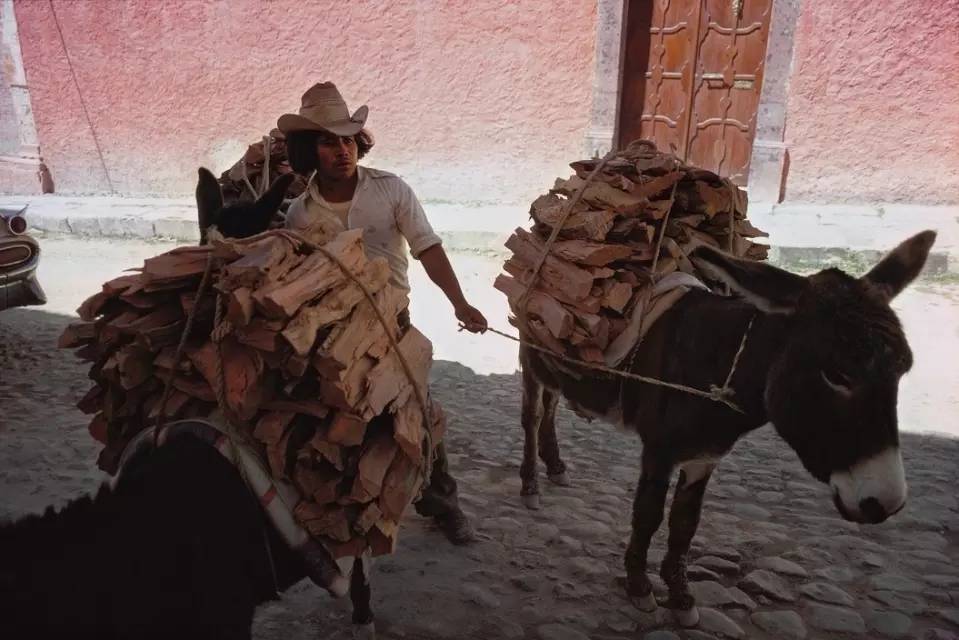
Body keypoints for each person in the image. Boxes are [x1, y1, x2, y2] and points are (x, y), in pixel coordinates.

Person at [277, 82, 487, 544]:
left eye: (349, 139)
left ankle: (443, 502)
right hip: (333, 337)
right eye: (329, 141)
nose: (342, 150)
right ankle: (347, 510)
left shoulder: (392, 191)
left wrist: (460, 303)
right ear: (309, 150)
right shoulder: (298, 214)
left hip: (392, 324)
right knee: (337, 423)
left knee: (420, 411)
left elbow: (428, 248)